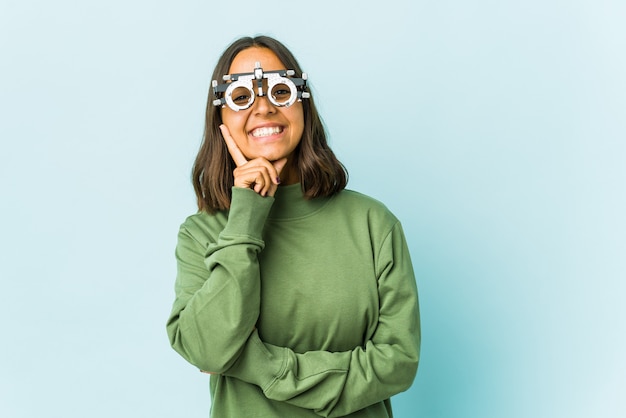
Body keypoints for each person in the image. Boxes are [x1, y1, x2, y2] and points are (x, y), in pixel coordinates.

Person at [166, 35, 420, 418]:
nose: (264, 107)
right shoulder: (201, 233)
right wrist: (247, 216)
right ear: (221, 119)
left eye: (280, 90)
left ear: (303, 104)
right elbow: (206, 349)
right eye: (241, 97)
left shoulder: (373, 224)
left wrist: (258, 365)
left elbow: (398, 363)